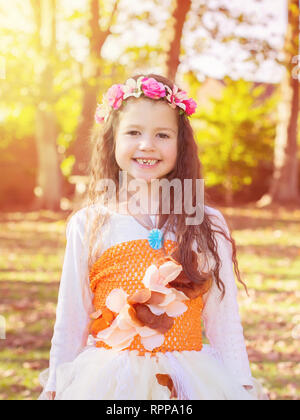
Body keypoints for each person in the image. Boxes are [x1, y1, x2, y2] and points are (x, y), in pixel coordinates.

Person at [39, 74, 267, 400]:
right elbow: (71, 318)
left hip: (189, 383)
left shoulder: (207, 224)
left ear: (180, 144)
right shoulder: (89, 224)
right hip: (110, 383)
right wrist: (55, 387)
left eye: (162, 134)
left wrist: (242, 385)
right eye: (133, 132)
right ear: (112, 140)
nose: (147, 144)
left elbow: (224, 320)